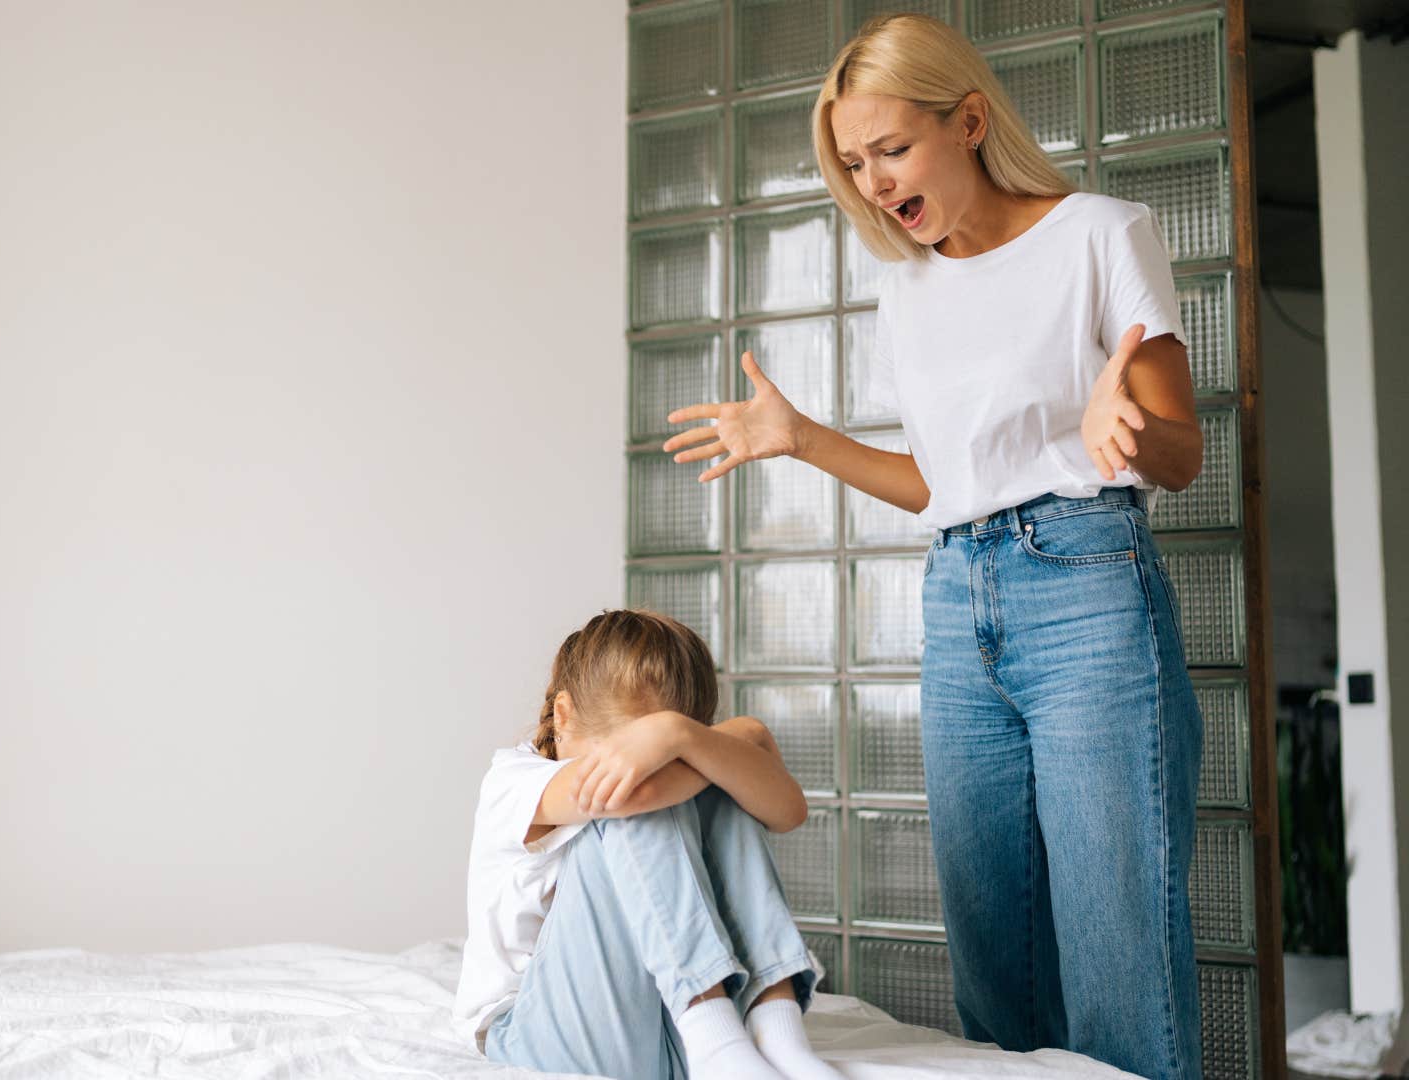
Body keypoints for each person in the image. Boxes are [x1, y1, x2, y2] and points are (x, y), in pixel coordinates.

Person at [661, 14, 1205, 1080]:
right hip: (959, 598)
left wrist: (1130, 433)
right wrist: (801, 439)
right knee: (993, 957)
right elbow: (943, 485)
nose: (873, 183)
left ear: (967, 121)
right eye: (854, 164)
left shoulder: (1101, 232)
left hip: (1087, 579)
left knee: (1115, 948)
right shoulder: (907, 288)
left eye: (891, 151)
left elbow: (1181, 451)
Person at [453, 609, 841, 1080]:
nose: (660, 752)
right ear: (562, 716)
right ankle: (712, 1031)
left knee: (721, 781)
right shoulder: (511, 782)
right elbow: (633, 794)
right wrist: (731, 736)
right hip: (543, 1034)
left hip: (665, 1028)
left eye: (678, 735)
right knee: (631, 794)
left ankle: (777, 1032)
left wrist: (680, 738)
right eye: (634, 744)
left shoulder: (680, 745)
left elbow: (788, 811)